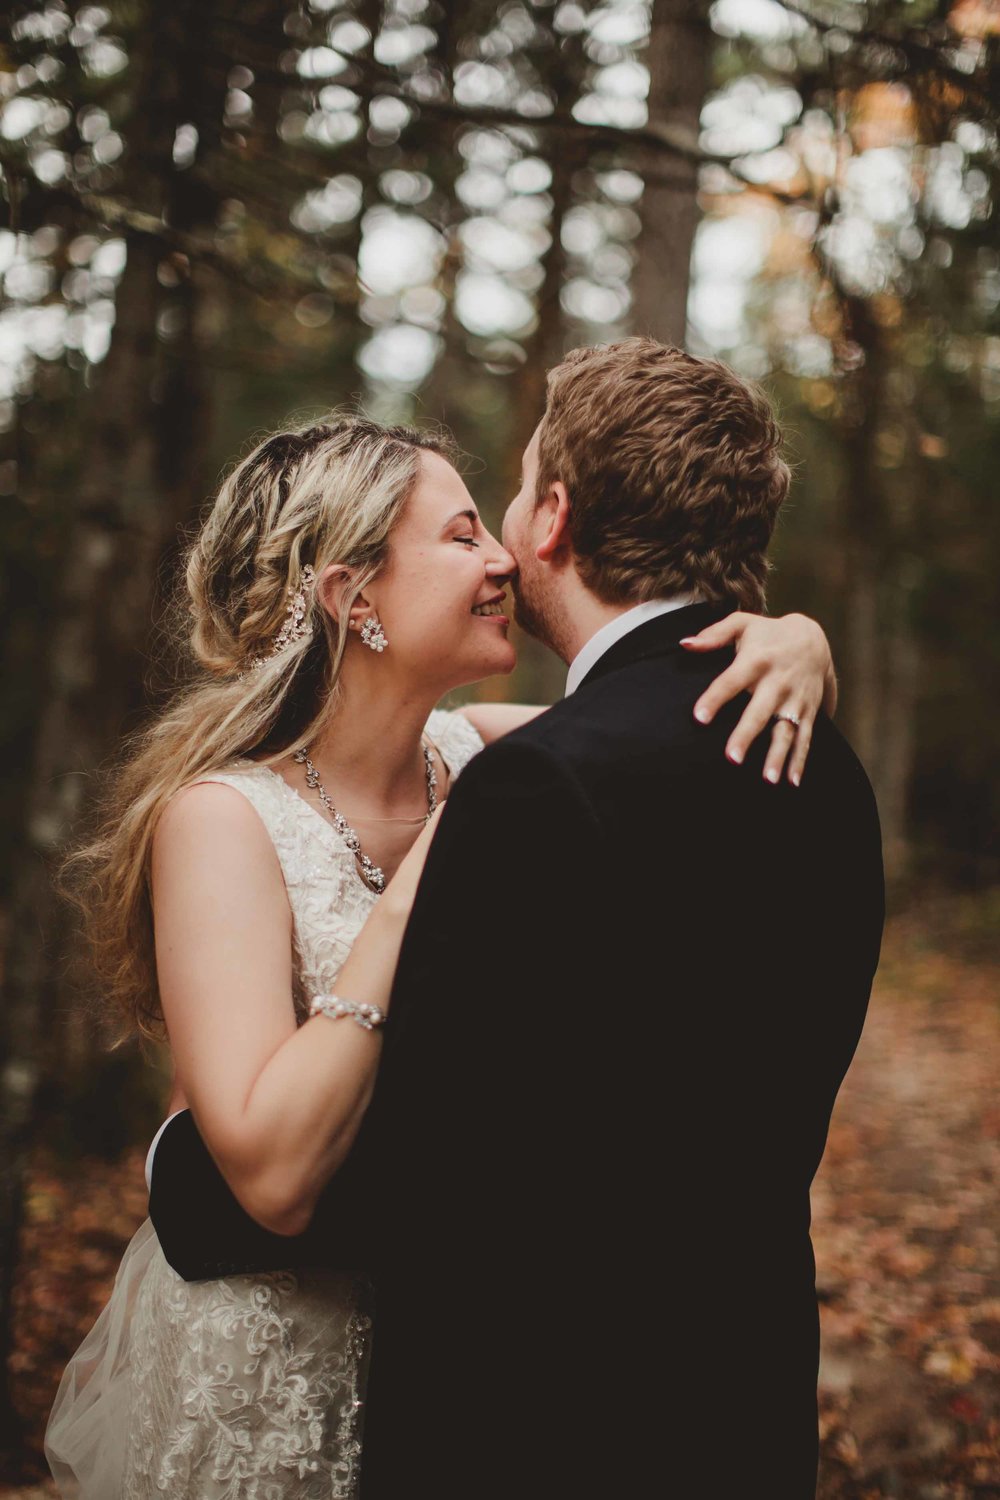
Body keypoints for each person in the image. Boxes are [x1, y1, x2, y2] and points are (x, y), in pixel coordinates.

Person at [46, 383, 842, 1499]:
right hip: (271, 1362)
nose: (506, 560)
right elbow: (269, 1173)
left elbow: (646, 728)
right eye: (462, 533)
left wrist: (794, 639)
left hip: (446, 1366)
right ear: (351, 592)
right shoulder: (222, 823)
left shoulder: (491, 755)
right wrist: (419, 885)